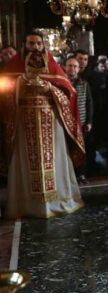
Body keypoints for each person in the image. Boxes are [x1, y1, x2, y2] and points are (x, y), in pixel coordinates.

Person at [0, 31, 85, 218]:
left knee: (53, 159)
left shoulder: (52, 65)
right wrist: (21, 83)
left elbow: (68, 93)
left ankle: (57, 200)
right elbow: (3, 93)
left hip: (51, 122)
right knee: (25, 160)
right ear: (24, 45)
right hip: (23, 123)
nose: (36, 47)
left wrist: (49, 88)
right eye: (31, 43)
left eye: (39, 43)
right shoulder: (13, 66)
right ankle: (27, 205)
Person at [65, 57, 95, 184]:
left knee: (81, 149)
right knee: (67, 149)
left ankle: (81, 174)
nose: (72, 69)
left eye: (75, 66)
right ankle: (68, 175)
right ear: (65, 67)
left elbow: (89, 103)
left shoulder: (84, 84)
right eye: (70, 66)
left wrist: (89, 121)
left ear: (79, 69)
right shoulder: (61, 82)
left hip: (81, 122)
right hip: (65, 121)